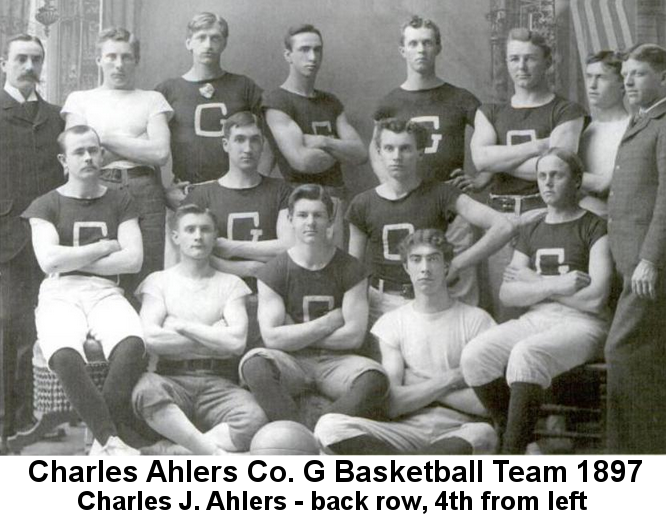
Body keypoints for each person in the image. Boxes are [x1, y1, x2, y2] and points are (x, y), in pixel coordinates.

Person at [461, 148, 612, 454]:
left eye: (557, 175)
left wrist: (534, 282)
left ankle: (510, 455)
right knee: (475, 355)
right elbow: (508, 293)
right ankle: (525, 442)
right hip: (537, 318)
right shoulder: (532, 227)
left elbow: (596, 299)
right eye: (542, 175)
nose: (547, 182)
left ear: (577, 181)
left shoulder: (595, 227)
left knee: (526, 353)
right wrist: (557, 285)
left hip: (584, 324)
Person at [22, 125, 147, 455]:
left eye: (93, 150)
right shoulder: (45, 204)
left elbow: (133, 260)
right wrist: (105, 246)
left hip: (106, 290)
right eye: (79, 152)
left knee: (132, 344)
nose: (88, 157)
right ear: (64, 160)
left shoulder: (121, 199)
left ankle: (103, 442)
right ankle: (110, 439)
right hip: (59, 292)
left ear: (103, 155)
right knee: (63, 352)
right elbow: (49, 261)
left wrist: (72, 258)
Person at [315, 229, 498, 455]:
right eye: (416, 260)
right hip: (404, 431)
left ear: (447, 267)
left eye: (433, 259)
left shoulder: (478, 321)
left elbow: (485, 405)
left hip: (458, 428)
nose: (425, 268)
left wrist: (414, 381)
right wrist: (452, 378)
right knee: (330, 427)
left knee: (484, 435)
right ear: (406, 267)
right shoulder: (391, 322)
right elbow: (393, 404)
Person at [240, 185, 388, 426]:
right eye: (302, 215)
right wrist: (328, 322)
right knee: (255, 365)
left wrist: (295, 331)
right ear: (290, 220)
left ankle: (322, 433)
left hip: (336, 361)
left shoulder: (352, 268)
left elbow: (353, 337)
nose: (310, 222)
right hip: (290, 361)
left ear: (330, 220)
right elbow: (273, 340)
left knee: (375, 379)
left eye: (318, 215)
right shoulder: (273, 270)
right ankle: (294, 432)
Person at [347, 118, 513, 329]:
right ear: (379, 151)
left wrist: (458, 264)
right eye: (389, 148)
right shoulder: (362, 203)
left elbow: (504, 226)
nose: (396, 156)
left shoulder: (441, 193)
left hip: (429, 300)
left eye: (405, 148)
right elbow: (353, 269)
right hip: (380, 302)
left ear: (420, 152)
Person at [470, 28, 586, 322]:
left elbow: (558, 168)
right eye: (514, 59)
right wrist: (537, 147)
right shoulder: (491, 111)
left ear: (548, 61)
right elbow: (480, 158)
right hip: (500, 216)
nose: (521, 67)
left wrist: (498, 158)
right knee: (506, 307)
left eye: (530, 59)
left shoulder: (566, 110)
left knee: (550, 304)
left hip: (544, 214)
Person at [132, 204, 267, 455]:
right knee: (145, 390)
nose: (198, 236)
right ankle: (211, 453)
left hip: (219, 383)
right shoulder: (158, 281)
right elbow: (150, 338)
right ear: (175, 237)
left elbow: (236, 342)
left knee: (254, 418)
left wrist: (183, 326)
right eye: (190, 229)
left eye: (205, 229)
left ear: (215, 236)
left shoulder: (231, 284)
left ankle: (176, 450)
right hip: (171, 379)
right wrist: (214, 335)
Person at [370, 15, 482, 304]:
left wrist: (482, 178)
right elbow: (374, 146)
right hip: (411, 205)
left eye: (427, 43)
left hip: (452, 209)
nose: (420, 50)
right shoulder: (390, 102)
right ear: (402, 50)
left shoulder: (460, 97)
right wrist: (390, 183)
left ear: (438, 47)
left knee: (458, 286)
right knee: (417, 284)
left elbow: (491, 138)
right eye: (413, 43)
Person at [61, 27, 173, 299]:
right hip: (97, 186)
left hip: (144, 187)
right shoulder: (80, 100)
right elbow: (78, 152)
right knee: (98, 262)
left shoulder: (152, 99)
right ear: (98, 59)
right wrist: (133, 141)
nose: (119, 64)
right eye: (111, 56)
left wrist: (105, 138)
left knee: (147, 268)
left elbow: (159, 153)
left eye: (126, 57)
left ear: (136, 60)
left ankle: (142, 337)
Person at [0, 33, 65, 451]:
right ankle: (6, 420)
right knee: (7, 328)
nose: (28, 67)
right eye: (20, 58)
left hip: (49, 241)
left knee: (38, 330)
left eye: (36, 60)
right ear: (4, 63)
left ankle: (30, 416)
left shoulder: (56, 116)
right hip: (5, 240)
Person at [184, 111, 293, 348]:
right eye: (240, 139)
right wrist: (247, 268)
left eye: (255, 140)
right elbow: (189, 257)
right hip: (215, 298)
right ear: (226, 144)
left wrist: (230, 247)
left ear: (263, 144)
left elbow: (288, 247)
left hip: (268, 298)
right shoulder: (202, 195)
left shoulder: (282, 191)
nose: (248, 147)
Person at [605, 44, 666, 454]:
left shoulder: (663, 122)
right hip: (632, 265)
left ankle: (631, 456)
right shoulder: (642, 120)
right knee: (647, 361)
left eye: (639, 73)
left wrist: (649, 259)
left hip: (649, 268)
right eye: (625, 73)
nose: (628, 80)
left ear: (663, 77)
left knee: (622, 352)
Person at [263, 24, 367, 247]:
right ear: (288, 55)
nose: (312, 57)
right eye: (304, 49)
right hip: (298, 201)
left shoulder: (331, 102)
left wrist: (322, 141)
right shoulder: (277, 102)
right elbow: (303, 161)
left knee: (334, 270)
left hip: (335, 199)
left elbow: (360, 154)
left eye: (317, 50)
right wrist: (340, 150)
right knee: (303, 268)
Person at [156, 12, 271, 208]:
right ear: (188, 43)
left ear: (224, 43)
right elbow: (152, 148)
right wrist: (162, 191)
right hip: (187, 194)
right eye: (201, 38)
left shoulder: (244, 87)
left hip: (237, 192)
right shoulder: (168, 90)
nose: (208, 45)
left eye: (215, 38)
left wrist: (256, 186)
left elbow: (268, 143)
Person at [579, 51, 630, 219]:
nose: (592, 85)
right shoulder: (584, 130)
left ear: (623, 84)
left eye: (601, 77)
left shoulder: (633, 128)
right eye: (589, 77)